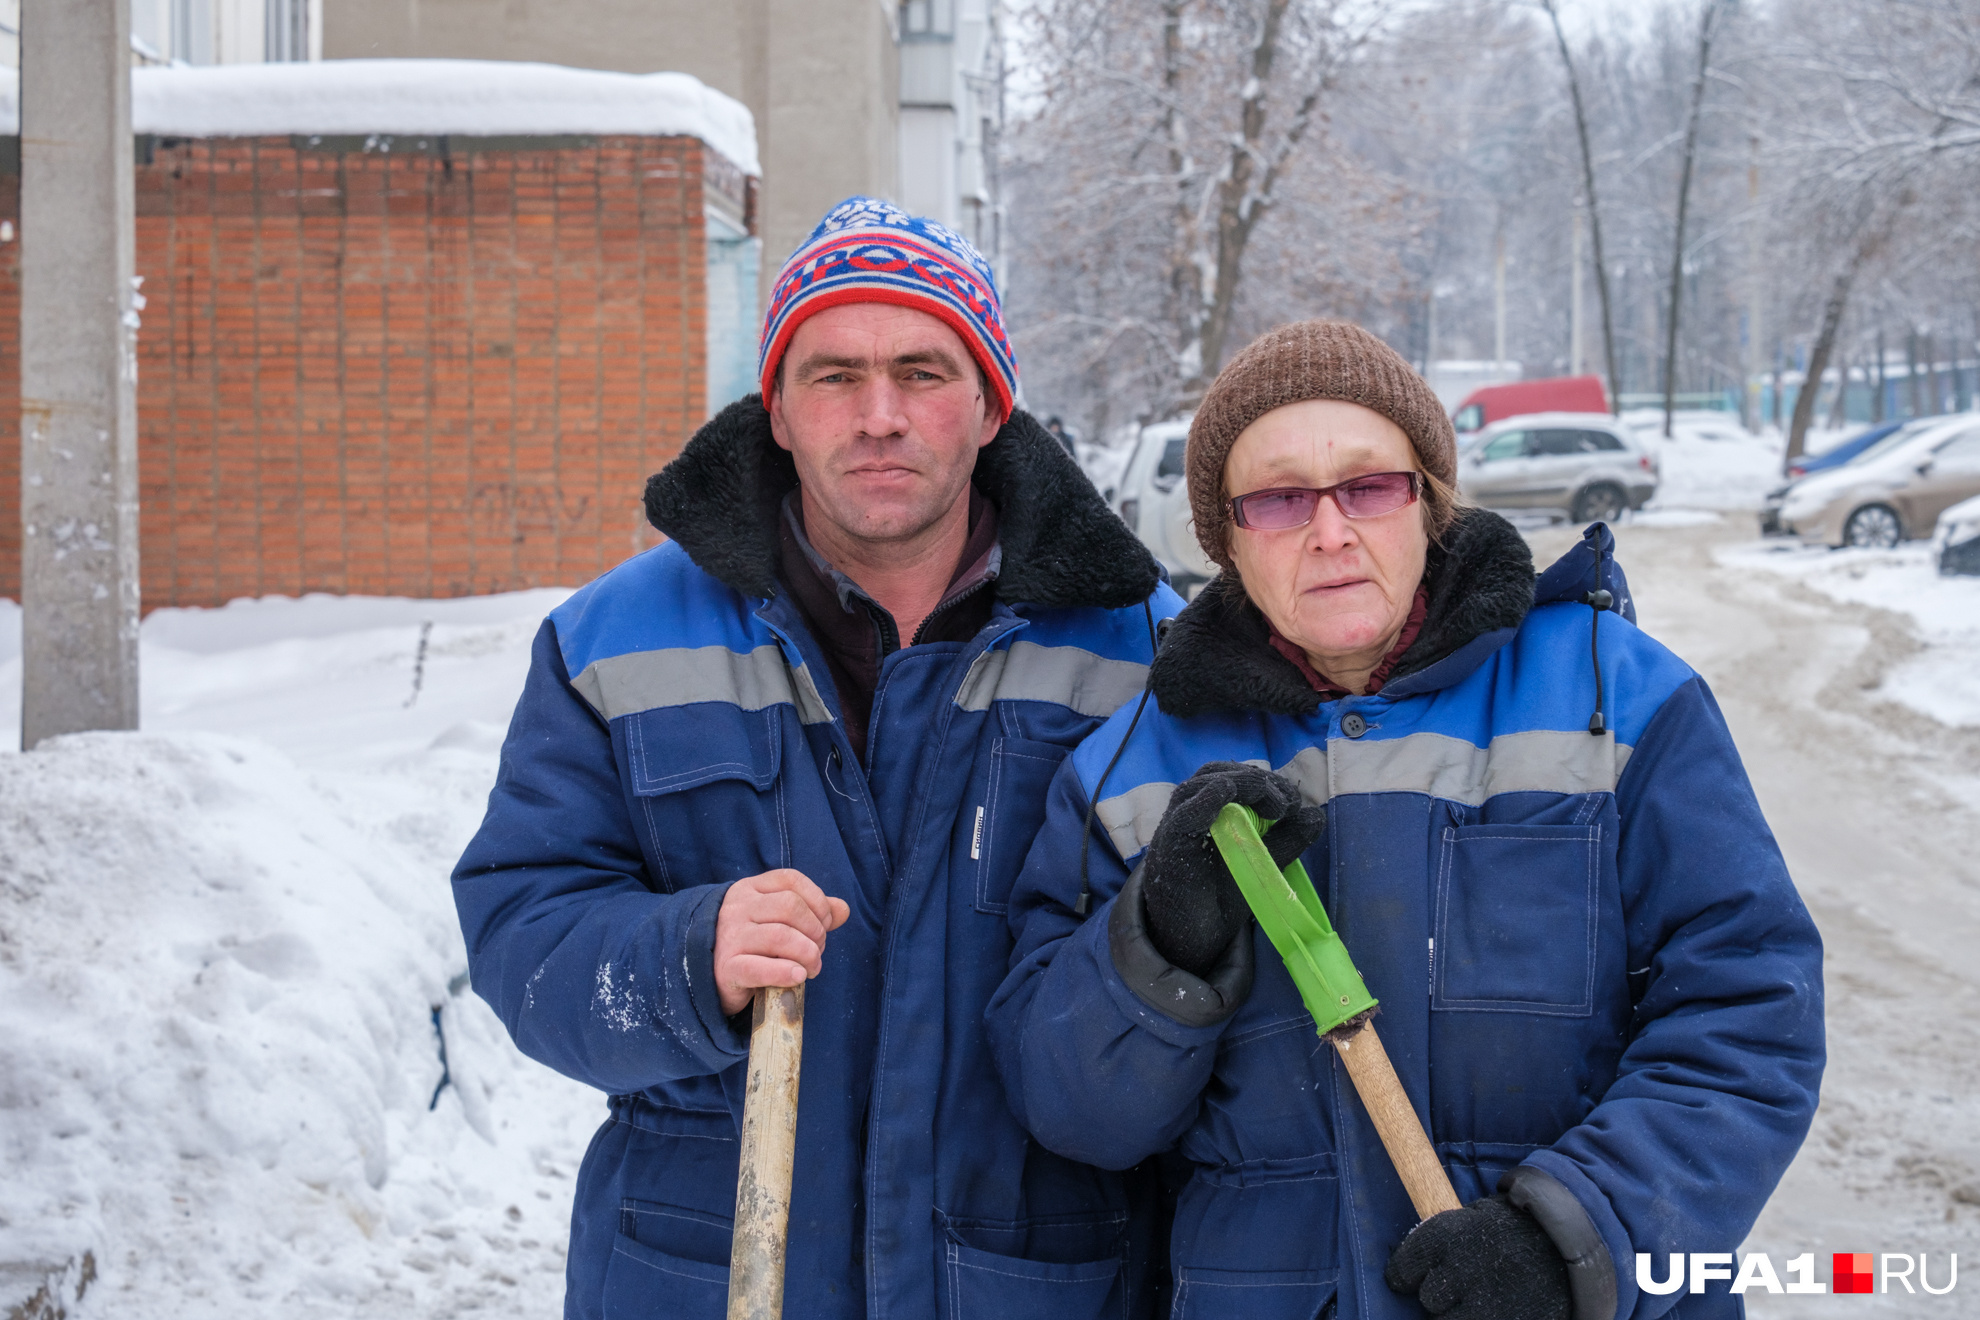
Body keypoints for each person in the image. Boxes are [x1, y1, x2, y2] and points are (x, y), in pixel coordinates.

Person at [988, 321, 1825, 1320]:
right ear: (1227, 538)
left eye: (1369, 487)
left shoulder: (1620, 696)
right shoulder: (1133, 767)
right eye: (1280, 499)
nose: (1330, 531)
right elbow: (1070, 1113)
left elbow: (1749, 1019)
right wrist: (1159, 949)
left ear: (1428, 501)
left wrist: (1577, 1236)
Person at [453, 197, 1183, 1320]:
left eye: (924, 373)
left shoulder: (1140, 648)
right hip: (709, 1278)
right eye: (834, 376)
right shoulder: (615, 643)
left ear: (991, 405)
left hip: (1035, 1276)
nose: (879, 415)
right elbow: (522, 930)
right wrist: (686, 954)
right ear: (778, 412)